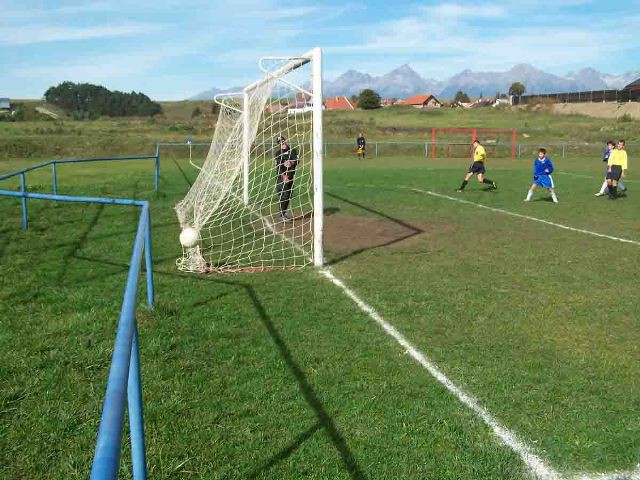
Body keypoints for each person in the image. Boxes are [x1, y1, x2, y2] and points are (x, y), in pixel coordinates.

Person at [274, 135, 299, 220]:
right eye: (280, 142)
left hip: (291, 176)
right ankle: (281, 215)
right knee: (284, 195)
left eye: (283, 141)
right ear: (278, 144)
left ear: (285, 141)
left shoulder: (293, 151)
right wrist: (284, 176)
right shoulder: (278, 153)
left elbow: (297, 160)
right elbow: (279, 166)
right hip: (281, 177)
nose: (282, 143)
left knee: (289, 195)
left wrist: (291, 162)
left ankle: (283, 213)